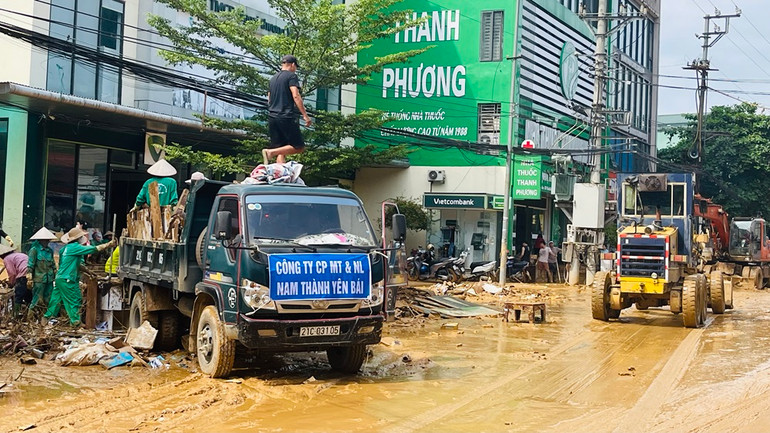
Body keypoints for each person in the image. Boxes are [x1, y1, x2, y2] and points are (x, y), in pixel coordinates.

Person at [44, 226, 115, 327]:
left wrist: (89, 272)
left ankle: (47, 318)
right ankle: (76, 323)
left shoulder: (64, 249)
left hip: (60, 278)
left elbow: (75, 264)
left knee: (56, 300)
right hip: (68, 279)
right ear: (78, 238)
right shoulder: (75, 247)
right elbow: (92, 249)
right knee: (74, 300)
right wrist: (108, 245)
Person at [262, 54, 312, 165]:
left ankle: (280, 171)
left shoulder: (273, 79)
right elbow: (296, 95)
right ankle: (270, 152)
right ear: (293, 65)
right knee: (299, 147)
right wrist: (305, 115)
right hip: (285, 116)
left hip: (272, 117)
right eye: (296, 67)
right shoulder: (291, 76)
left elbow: (269, 98)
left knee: (281, 149)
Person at [27, 227, 58, 312]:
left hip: (49, 279)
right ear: (40, 240)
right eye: (45, 240)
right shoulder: (34, 250)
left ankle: (44, 316)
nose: (47, 241)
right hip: (39, 279)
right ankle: (31, 317)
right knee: (36, 300)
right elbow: (30, 265)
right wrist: (29, 278)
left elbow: (53, 265)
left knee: (48, 299)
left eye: (48, 240)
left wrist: (56, 275)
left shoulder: (50, 251)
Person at [0, 244, 29, 316]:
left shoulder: (7, 258)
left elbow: (12, 274)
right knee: (28, 295)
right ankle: (29, 314)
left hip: (23, 275)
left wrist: (11, 283)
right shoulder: (19, 255)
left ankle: (15, 315)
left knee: (18, 296)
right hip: (31, 274)